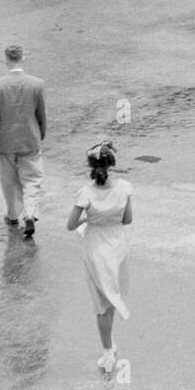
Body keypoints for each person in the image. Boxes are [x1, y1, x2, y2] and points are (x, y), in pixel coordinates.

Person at [66, 141, 133, 374]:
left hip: (96, 248)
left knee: (100, 303)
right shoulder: (124, 188)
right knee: (112, 295)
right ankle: (110, 342)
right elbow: (127, 220)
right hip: (117, 246)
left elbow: (70, 224)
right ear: (111, 164)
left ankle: (107, 351)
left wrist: (89, 219)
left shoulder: (86, 193)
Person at [0, 45, 47, 238]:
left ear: (6, 59)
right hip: (29, 137)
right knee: (32, 180)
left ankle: (13, 214)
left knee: (9, 181)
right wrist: (40, 133)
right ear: (23, 57)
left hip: (5, 139)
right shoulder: (37, 84)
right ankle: (30, 212)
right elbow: (41, 113)